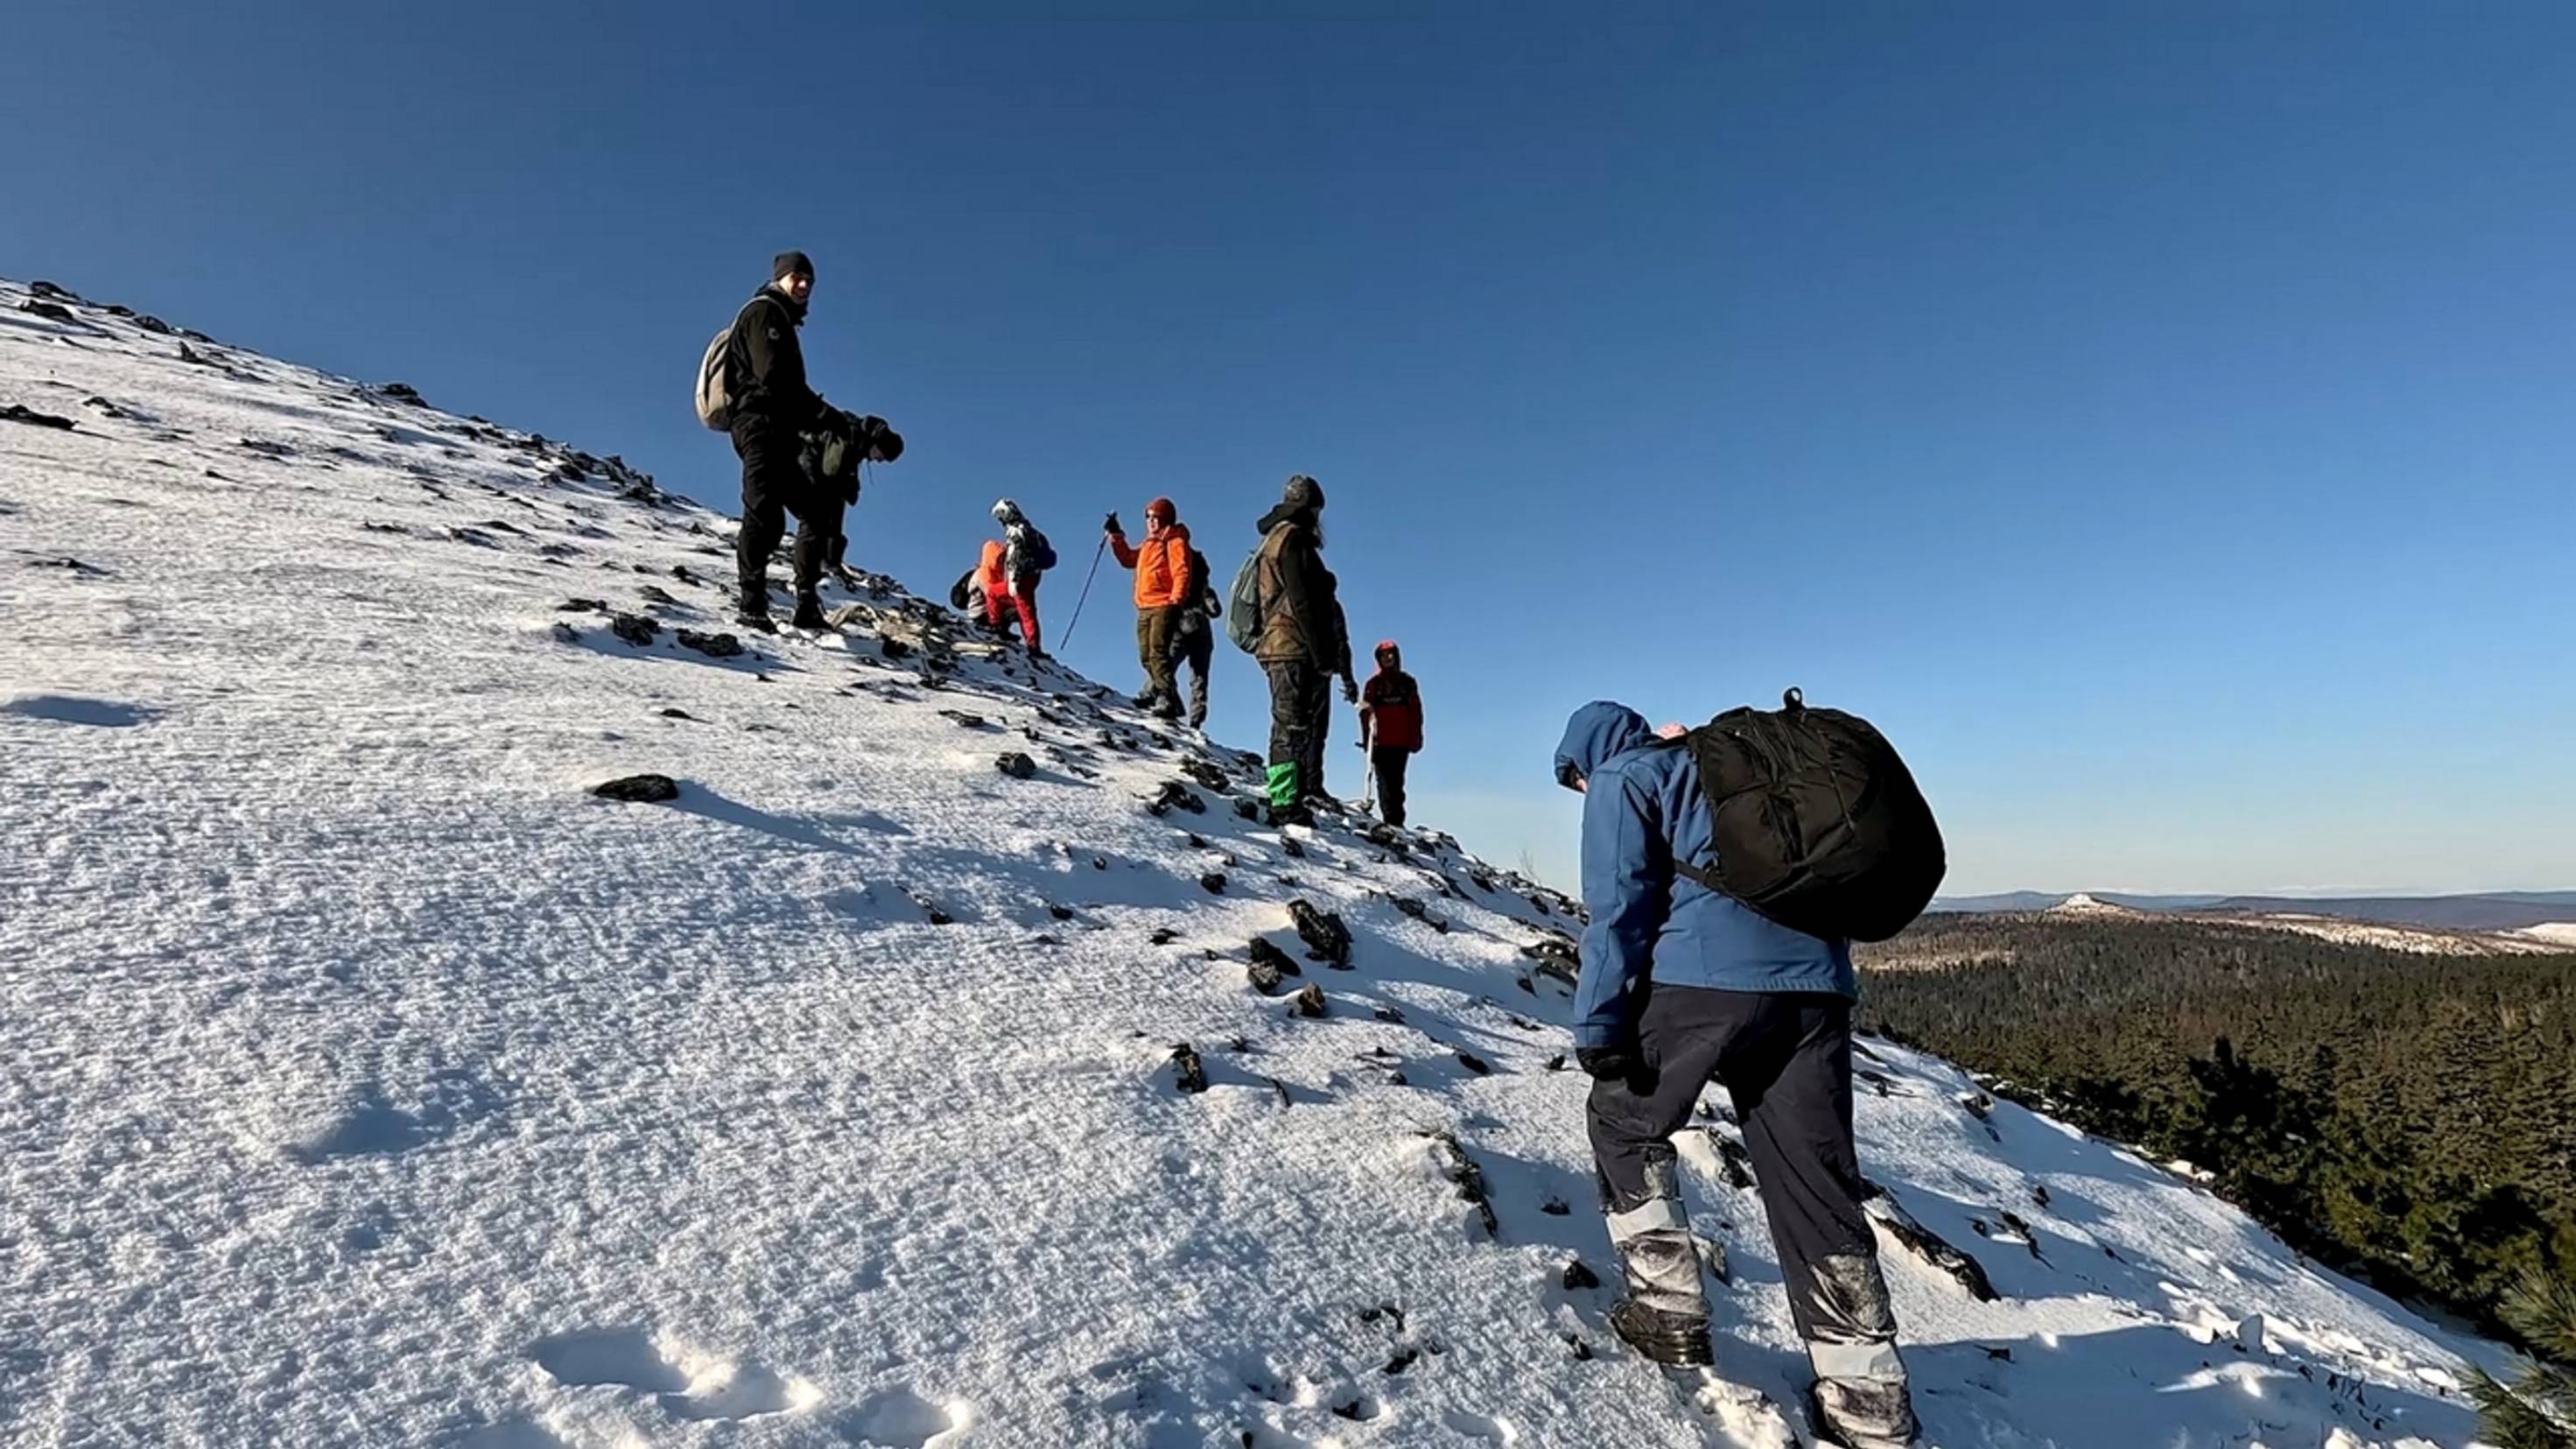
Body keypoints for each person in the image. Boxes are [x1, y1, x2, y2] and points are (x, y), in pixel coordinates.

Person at [1553, 701, 1919, 1449]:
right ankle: (1868, 1397)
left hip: (1700, 983)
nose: (1581, 791)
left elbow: (1618, 908)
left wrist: (1598, 1025)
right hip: (1816, 990)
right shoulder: (1729, 768)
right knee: (1815, 1182)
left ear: (1585, 757)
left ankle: (1666, 1308)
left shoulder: (1626, 776)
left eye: (1574, 779)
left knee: (1623, 1120)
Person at [725, 250, 834, 631]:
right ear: (780, 278)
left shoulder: (783, 319)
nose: (803, 285)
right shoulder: (764, 313)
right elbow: (772, 376)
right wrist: (822, 413)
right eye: (796, 277)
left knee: (815, 511)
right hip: (757, 424)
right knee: (763, 513)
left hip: (781, 431)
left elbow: (786, 386)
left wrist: (822, 418)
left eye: (809, 280)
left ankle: (806, 604)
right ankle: (751, 605)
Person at [1252, 475, 1354, 824]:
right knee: (1290, 727)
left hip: (1278, 644)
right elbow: (1302, 601)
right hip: (1291, 646)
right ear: (1309, 508)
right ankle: (1284, 804)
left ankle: (1289, 796)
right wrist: (1322, 654)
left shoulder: (1273, 538)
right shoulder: (1292, 539)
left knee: (1291, 725)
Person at [1105, 498, 1196, 718]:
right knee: (1146, 655)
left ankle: (1166, 697)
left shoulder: (1174, 540)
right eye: (1148, 517)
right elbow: (1128, 559)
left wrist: (1176, 600)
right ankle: (1167, 695)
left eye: (1156, 517)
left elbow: (1181, 570)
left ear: (1166, 519)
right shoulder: (1149, 544)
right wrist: (1116, 536)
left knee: (1157, 651)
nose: (1151, 521)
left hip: (1164, 603)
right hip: (1145, 605)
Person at [1357, 640, 1423, 827]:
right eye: (1384, 655)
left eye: (1391, 654)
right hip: (1380, 742)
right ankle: (1391, 821)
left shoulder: (1408, 683)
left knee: (1397, 783)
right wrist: (1367, 740)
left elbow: (1416, 711)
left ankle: (1396, 822)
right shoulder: (1373, 684)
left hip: (1401, 741)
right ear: (1378, 659)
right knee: (1385, 784)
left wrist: (1416, 737)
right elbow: (1365, 713)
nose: (1389, 658)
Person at [979, 499, 1050, 655]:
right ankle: (1034, 645)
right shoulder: (1030, 530)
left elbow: (1014, 557)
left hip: (1021, 578)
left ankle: (996, 626)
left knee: (994, 593)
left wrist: (1013, 579)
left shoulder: (1015, 532)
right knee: (1028, 611)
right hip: (1033, 576)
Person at [1170, 542, 1222, 728]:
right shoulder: (1205, 589)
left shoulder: (1176, 577)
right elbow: (1216, 611)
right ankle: (1196, 719)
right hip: (1202, 627)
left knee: (1166, 665)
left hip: (1182, 622)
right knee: (1199, 676)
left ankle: (1168, 703)